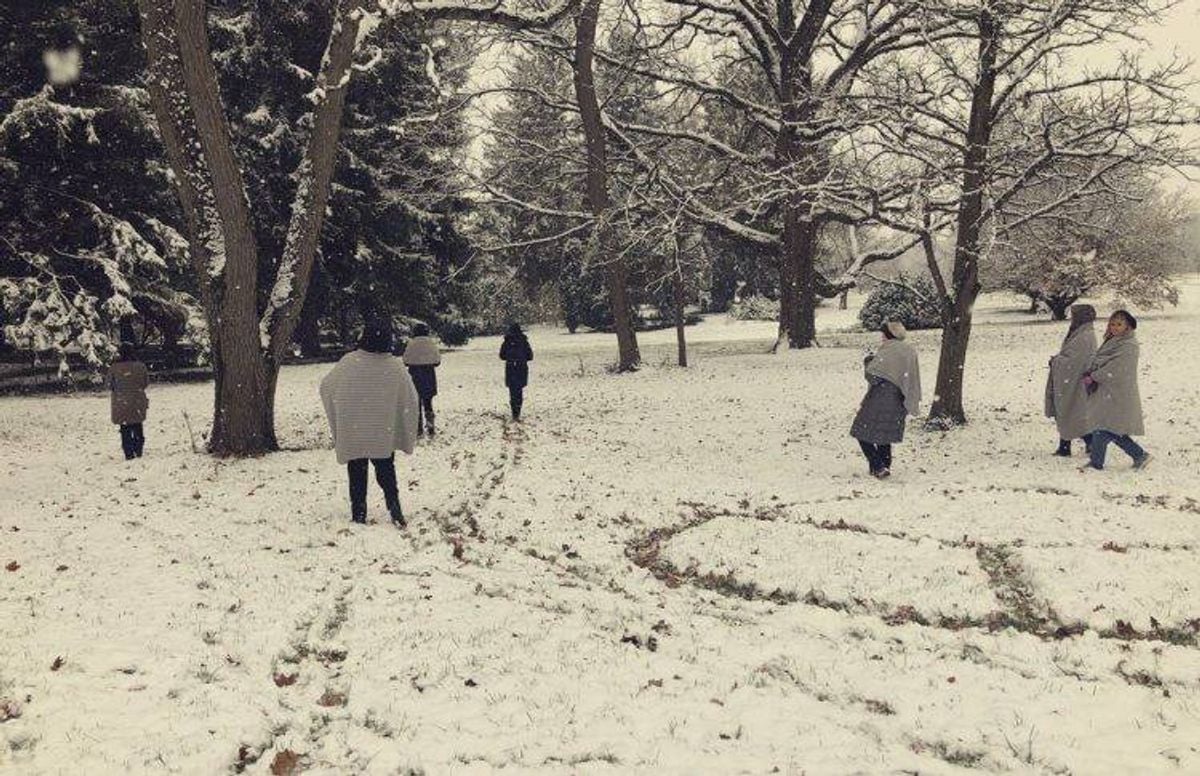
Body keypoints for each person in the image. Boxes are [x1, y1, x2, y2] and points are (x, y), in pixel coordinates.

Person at [319, 318, 419, 526]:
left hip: (355, 430)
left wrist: (345, 409)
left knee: (357, 473)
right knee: (386, 472)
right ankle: (395, 509)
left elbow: (327, 387)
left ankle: (359, 514)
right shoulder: (394, 366)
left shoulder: (349, 362)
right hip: (382, 430)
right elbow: (411, 396)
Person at [1080, 310, 1151, 472]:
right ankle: (1138, 456)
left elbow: (1116, 368)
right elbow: (1099, 359)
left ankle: (1099, 462)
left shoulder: (1129, 345)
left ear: (1128, 326)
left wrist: (1094, 376)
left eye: (1119, 324)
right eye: (1112, 324)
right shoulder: (1111, 341)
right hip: (1106, 391)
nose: (1114, 327)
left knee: (1106, 428)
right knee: (1105, 426)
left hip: (1118, 392)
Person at [850, 321, 922, 479]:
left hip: (881, 397)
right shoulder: (909, 351)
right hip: (899, 398)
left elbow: (873, 376)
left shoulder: (888, 350)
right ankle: (883, 466)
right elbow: (909, 377)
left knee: (861, 431)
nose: (881, 337)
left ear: (889, 334)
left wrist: (868, 361)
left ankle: (878, 465)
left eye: (883, 333)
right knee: (884, 433)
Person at [1045, 304, 1098, 456]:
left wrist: (1056, 361)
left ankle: (1083, 444)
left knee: (1071, 411)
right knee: (1068, 411)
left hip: (1075, 381)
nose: (1071, 318)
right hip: (1072, 380)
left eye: (1075, 315)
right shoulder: (1080, 333)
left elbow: (1075, 361)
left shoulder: (1085, 336)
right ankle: (1069, 445)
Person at [108, 342, 149, 460]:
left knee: (125, 428)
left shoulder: (114, 368)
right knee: (137, 424)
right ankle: (138, 447)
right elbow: (145, 383)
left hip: (121, 401)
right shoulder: (141, 366)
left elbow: (109, 385)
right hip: (137, 400)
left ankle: (128, 452)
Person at [402, 323, 441, 437]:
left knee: (415, 404)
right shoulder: (431, 343)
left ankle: (417, 429)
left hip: (414, 375)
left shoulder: (411, 344)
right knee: (428, 403)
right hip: (428, 375)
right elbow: (437, 361)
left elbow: (405, 360)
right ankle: (430, 426)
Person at [499, 323, 534, 420]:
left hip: (511, 368)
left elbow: (502, 355)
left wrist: (510, 357)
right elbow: (530, 356)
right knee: (519, 391)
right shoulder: (524, 341)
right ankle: (518, 410)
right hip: (521, 368)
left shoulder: (507, 341)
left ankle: (514, 411)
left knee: (512, 391)